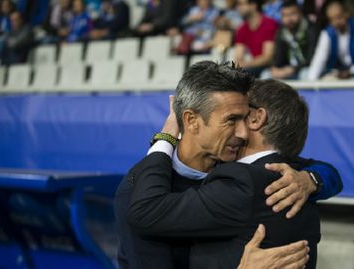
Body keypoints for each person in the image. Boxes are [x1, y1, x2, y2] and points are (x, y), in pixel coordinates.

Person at [115, 61, 342, 269]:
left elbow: (320, 169)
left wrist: (311, 180)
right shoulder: (140, 193)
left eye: (245, 118)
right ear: (192, 121)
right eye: (232, 120)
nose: (243, 133)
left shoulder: (252, 169)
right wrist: (165, 140)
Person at [307, 0, 354, 80]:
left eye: (339, 17)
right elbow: (319, 59)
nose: (337, 22)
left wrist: (353, 70)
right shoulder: (327, 33)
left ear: (346, 14)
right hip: (337, 72)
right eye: (332, 19)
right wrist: (311, 82)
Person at [270, 0, 319, 79]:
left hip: (305, 68)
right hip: (287, 70)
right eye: (285, 15)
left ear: (300, 13)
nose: (289, 19)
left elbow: (312, 59)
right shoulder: (281, 32)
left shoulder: (311, 29)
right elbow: (278, 59)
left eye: (292, 14)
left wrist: (293, 69)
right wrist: (275, 68)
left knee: (305, 74)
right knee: (266, 74)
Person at [234, 0, 279, 77]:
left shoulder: (269, 24)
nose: (238, 8)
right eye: (238, 4)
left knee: (243, 75)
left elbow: (268, 57)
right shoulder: (241, 29)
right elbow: (238, 56)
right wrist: (240, 64)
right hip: (254, 66)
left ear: (253, 5)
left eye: (241, 4)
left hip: (271, 66)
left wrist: (245, 64)